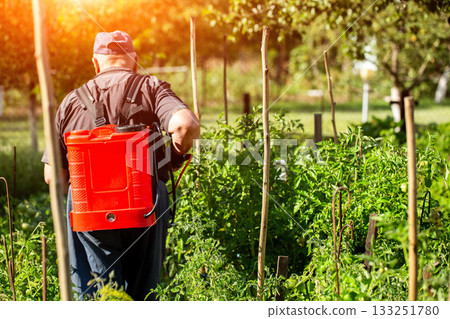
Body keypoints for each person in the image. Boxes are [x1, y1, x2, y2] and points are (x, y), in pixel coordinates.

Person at [41, 30, 200, 300]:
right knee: (144, 293)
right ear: (134, 61)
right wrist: (172, 160)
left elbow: (51, 176)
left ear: (95, 62)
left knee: (97, 294)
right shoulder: (151, 88)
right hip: (144, 204)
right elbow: (185, 125)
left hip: (87, 209)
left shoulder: (70, 103)